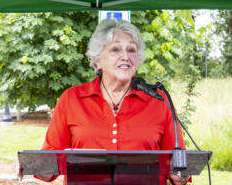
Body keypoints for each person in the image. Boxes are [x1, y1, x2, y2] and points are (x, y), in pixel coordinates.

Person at [17, 19, 190, 185]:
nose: (125, 56)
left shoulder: (159, 100)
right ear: (97, 59)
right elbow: (51, 163)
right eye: (115, 49)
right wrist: (32, 164)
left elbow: (176, 167)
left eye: (131, 50)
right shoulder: (71, 99)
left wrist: (179, 175)